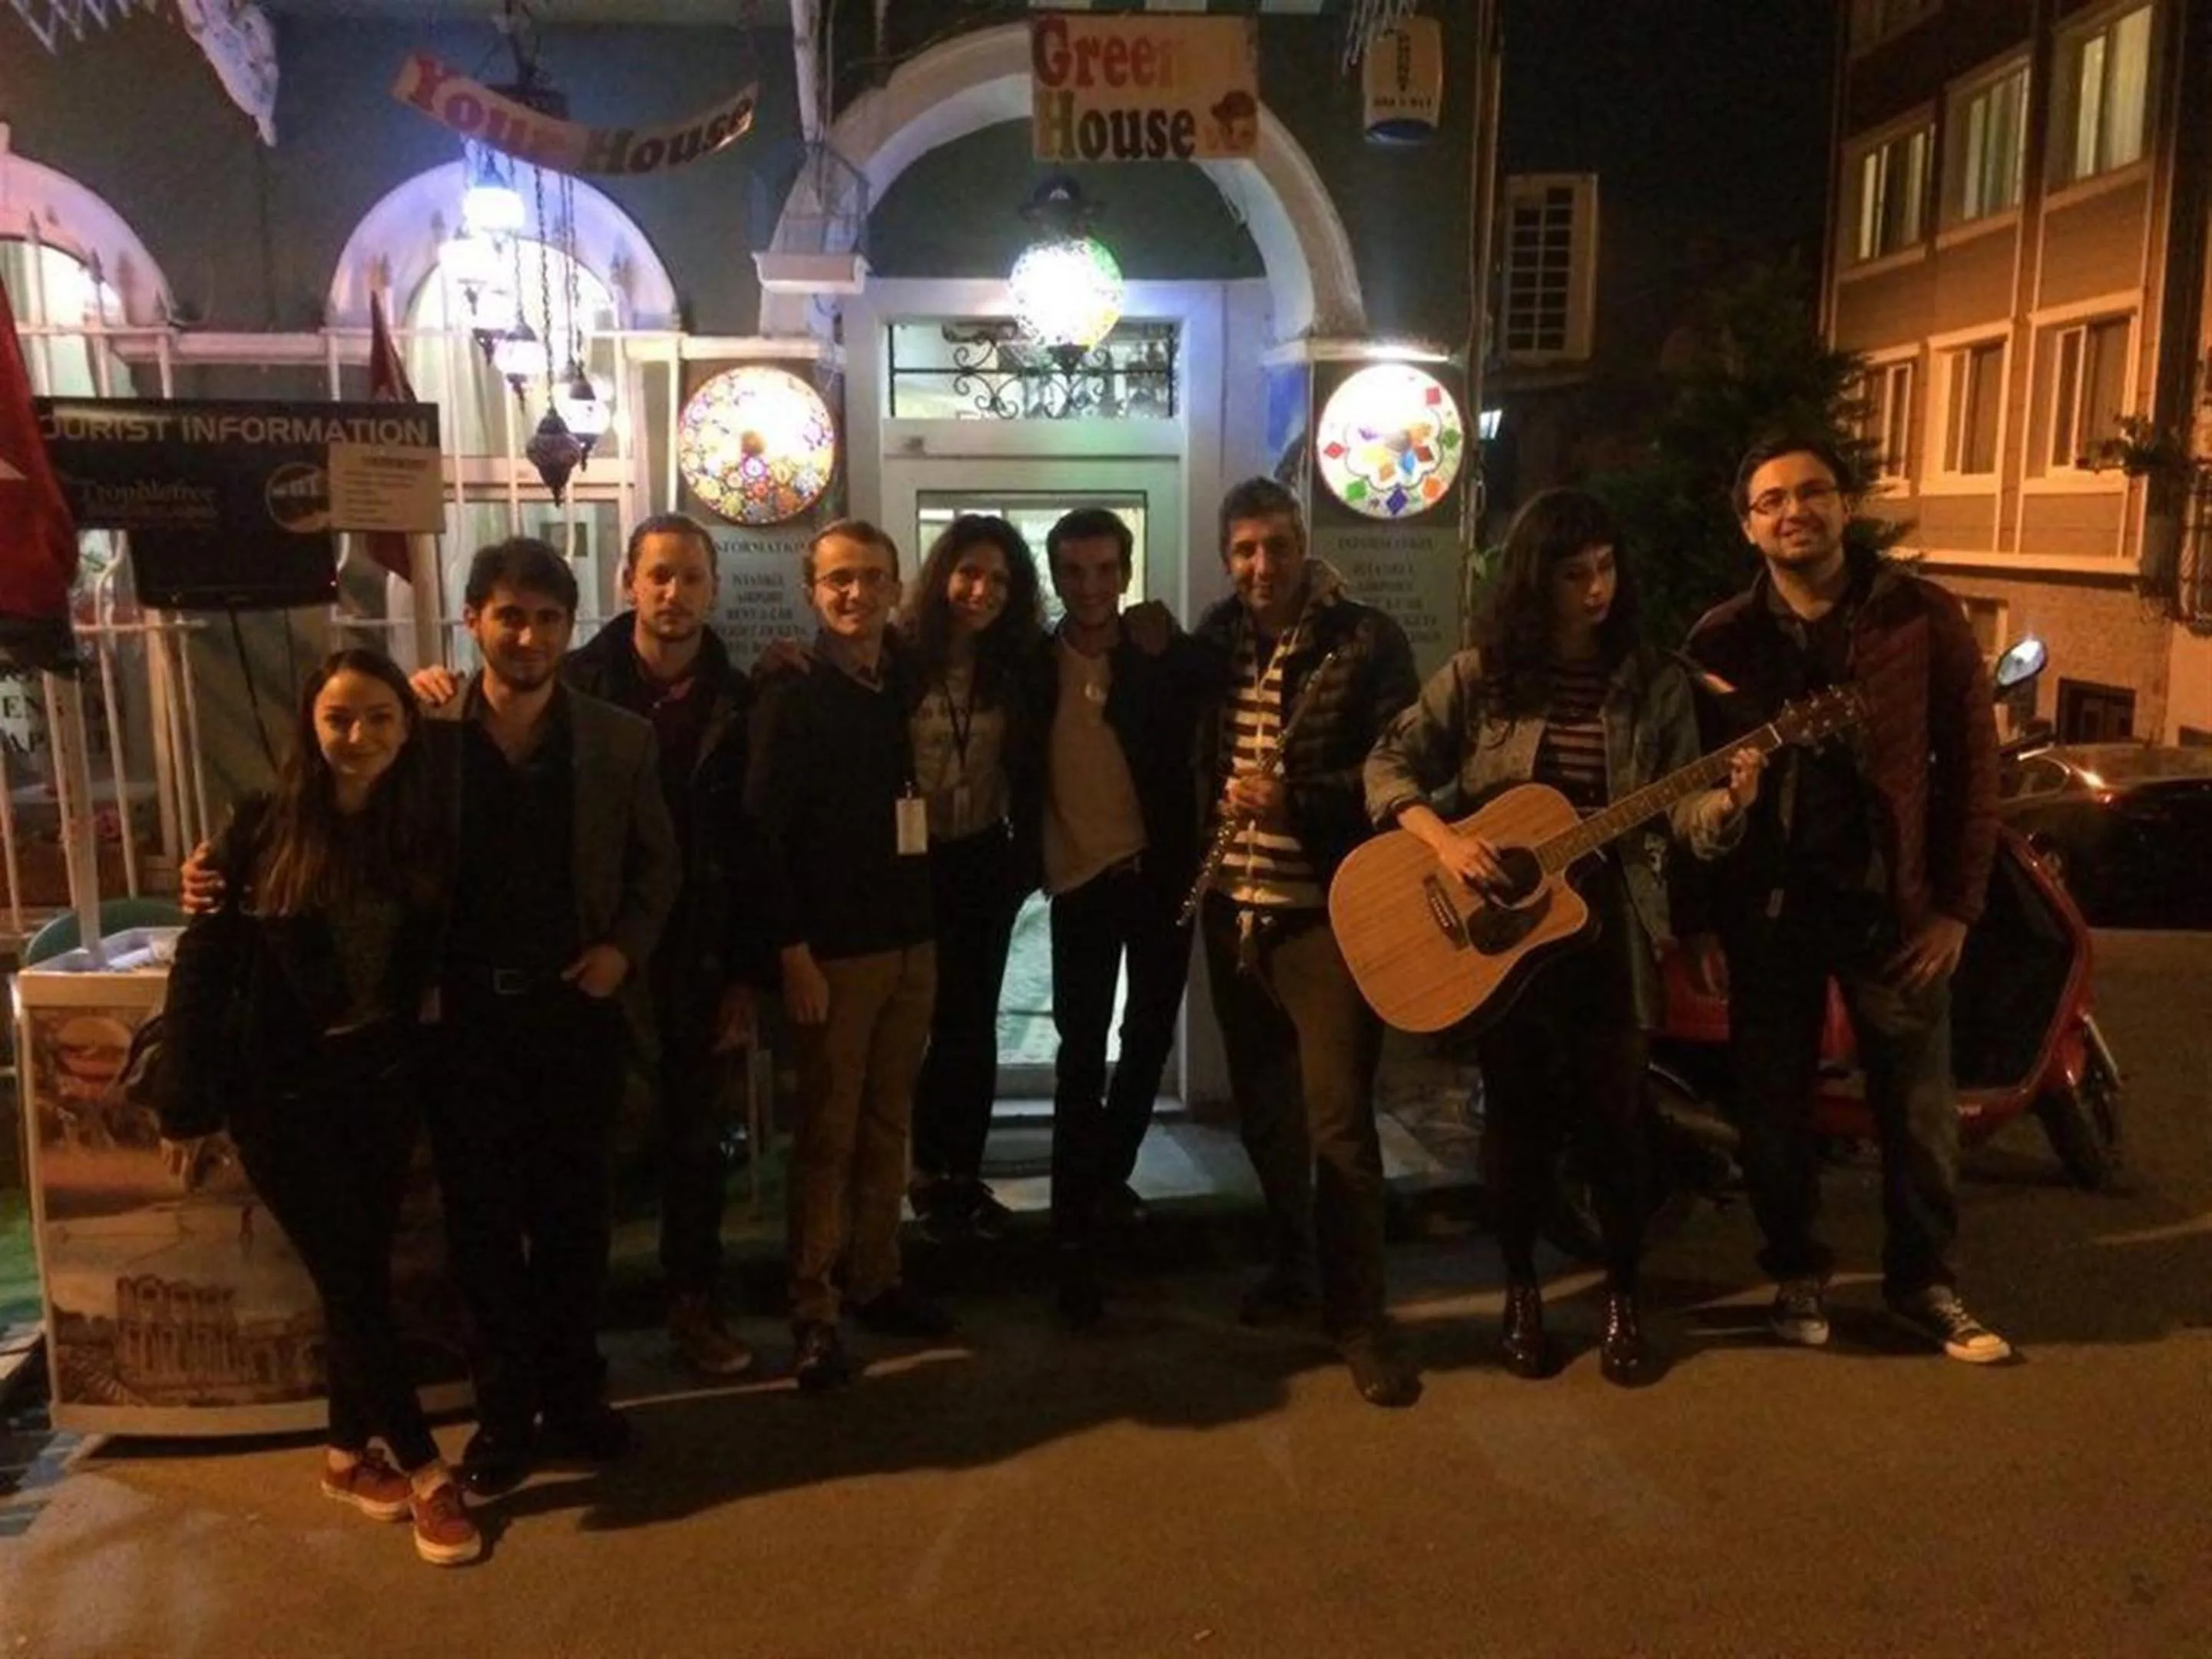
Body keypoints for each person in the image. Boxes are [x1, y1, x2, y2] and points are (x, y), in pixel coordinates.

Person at [1363, 489, 1758, 1386]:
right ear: (1535, 580)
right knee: (1516, 1125)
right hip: (1506, 934)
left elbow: (1683, 813)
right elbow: (1389, 765)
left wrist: (1728, 802)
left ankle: (1621, 1292)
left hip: (1609, 927)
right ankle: (1520, 1290)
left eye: (1608, 569)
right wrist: (1446, 840)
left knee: (1620, 1121)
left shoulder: (1653, 682)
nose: (1597, 591)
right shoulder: (1480, 678)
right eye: (1576, 573)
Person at [415, 512, 769, 1379]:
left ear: (712, 587)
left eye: (690, 577)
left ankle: (680, 1312)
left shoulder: (747, 696)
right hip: (555, 970)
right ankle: (532, 1358)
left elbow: (753, 845)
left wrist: (740, 971)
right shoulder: (565, 684)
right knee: (539, 1175)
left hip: (684, 959)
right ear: (626, 582)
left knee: (682, 1149)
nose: (673, 594)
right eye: (658, 576)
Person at [1683, 433, 2011, 1364]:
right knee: (1773, 1110)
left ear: (1846, 503)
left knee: (1917, 1112)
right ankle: (1796, 1269)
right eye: (1772, 500)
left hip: (1893, 908)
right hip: (1769, 912)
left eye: (1813, 492)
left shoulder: (1921, 616)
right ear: (1747, 526)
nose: (1795, 511)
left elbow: (1975, 769)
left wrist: (1957, 907)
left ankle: (1925, 1285)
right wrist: (1699, 914)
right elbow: (1691, 783)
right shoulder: (1720, 640)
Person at [160, 647, 479, 1565]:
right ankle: (423, 1469)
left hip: (378, 1084)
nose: (358, 736)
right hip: (279, 1092)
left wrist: (439, 689)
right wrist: (185, 1102)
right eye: (339, 718)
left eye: (379, 717)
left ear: (406, 728)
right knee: (351, 1280)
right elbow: (204, 960)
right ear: (309, 725)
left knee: (360, 1268)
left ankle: (346, 1455)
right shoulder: (260, 827)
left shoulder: (417, 825)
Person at [426, 538, 681, 1491]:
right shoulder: (426, 735)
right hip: (465, 1026)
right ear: (473, 621)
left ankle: (574, 1396)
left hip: (577, 1014)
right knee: (484, 1229)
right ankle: (502, 1416)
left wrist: (622, 952)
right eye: (508, 616)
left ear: (569, 630)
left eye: (545, 618)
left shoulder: (619, 739)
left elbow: (662, 867)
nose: (526, 635)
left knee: (577, 1220)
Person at [1190, 475, 1422, 1408]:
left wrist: (1298, 799)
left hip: (1329, 915)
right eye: (1244, 549)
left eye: (1276, 547)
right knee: (1268, 1115)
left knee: (1339, 1127)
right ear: (1225, 555)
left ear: (1302, 546)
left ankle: (1360, 1318)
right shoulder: (1213, 641)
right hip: (1237, 912)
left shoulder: (1364, 637)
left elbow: (1402, 765)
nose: (1260, 565)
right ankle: (1297, 1267)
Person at [749, 519, 949, 1392]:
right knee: (826, 1137)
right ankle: (814, 1309)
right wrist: (790, 949)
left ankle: (877, 1278)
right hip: (834, 952)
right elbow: (762, 834)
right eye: (838, 580)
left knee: (888, 1123)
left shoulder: (904, 679)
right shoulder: (790, 696)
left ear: (897, 586)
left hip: (912, 941)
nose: (855, 594)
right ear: (812, 591)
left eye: (872, 577)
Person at [1026, 507, 1212, 1327]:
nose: (1092, 586)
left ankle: (1104, 1184)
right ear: (1056, 577)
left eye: (1105, 570)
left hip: (1160, 875)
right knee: (1077, 1057)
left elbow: (1238, 670)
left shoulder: (1160, 652)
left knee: (1147, 1042)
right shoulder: (1033, 666)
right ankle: (1075, 1240)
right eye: (1075, 572)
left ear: (1127, 572)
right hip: (1080, 881)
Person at [898, 515, 1046, 1244]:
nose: (981, 591)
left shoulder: (1015, 669)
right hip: (908, 865)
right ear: (942, 577)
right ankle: (919, 1173)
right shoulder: (898, 658)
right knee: (918, 1022)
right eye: (968, 573)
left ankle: (960, 1173)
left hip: (983, 858)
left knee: (972, 1023)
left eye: (999, 580)